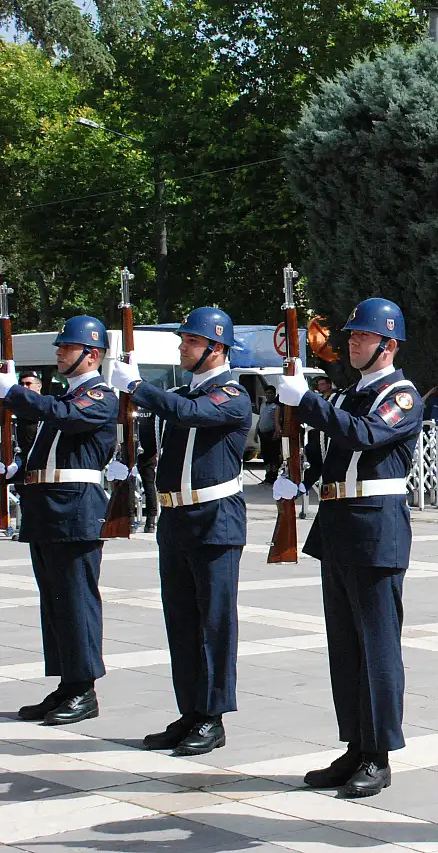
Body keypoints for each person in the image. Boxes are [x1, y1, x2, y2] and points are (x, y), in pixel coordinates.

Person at [273, 297, 423, 798]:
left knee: (378, 647)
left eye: (362, 337)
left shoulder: (400, 395)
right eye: (352, 336)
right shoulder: (343, 397)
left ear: (388, 344)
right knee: (346, 646)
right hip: (338, 527)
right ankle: (355, 744)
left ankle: (378, 753)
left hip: (376, 530)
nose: (352, 343)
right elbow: (326, 452)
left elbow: (365, 436)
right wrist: (295, 479)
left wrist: (307, 402)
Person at [109, 307, 252, 755]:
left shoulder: (233, 394)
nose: (182, 347)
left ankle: (212, 717)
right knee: (182, 623)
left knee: (213, 624)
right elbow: (162, 428)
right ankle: (189, 711)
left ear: (216, 346)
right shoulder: (180, 393)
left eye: (190, 341)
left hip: (214, 520)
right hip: (175, 520)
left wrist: (135, 385)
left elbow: (189, 414)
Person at [0, 318, 116, 725]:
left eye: (68, 347)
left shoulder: (99, 395)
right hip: (48, 510)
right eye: (61, 346)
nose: (60, 353)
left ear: (93, 355)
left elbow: (65, 419)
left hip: (75, 512)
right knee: (54, 604)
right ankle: (68, 682)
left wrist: (13, 393)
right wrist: (17, 470)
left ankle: (84, 689)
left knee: (77, 602)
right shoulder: (65, 397)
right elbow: (52, 451)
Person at [257, 385, 281, 485]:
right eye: (267, 393)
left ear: (274, 394)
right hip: (262, 434)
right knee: (265, 456)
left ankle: (273, 476)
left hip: (272, 434)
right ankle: (267, 476)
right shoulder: (263, 405)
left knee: (274, 456)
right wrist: (256, 432)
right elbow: (260, 418)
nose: (268, 395)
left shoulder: (276, 406)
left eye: (270, 393)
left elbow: (277, 421)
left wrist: (277, 432)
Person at [15, 372, 42, 458]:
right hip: (19, 455)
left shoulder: (47, 406)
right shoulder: (15, 408)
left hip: (40, 456)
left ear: (39, 386)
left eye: (28, 384)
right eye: (21, 384)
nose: (24, 387)